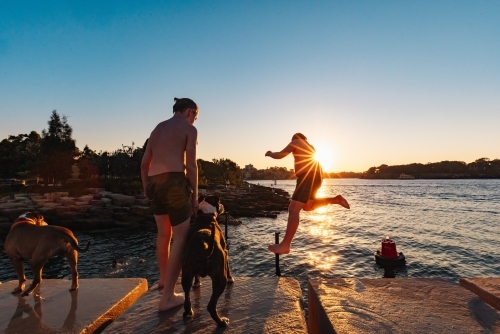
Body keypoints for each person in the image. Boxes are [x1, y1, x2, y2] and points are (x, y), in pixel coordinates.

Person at [141, 97, 199, 311]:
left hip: (154, 182)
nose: (194, 122)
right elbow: (191, 167)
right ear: (190, 112)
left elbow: (143, 164)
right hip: (174, 182)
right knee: (181, 238)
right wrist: (194, 197)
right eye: (195, 117)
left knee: (164, 234)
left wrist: (147, 187)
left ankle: (164, 279)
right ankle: (167, 298)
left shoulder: (157, 128)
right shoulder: (188, 129)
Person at [265, 132, 350, 254]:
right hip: (317, 177)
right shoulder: (310, 147)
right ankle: (335, 200)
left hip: (307, 177)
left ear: (295, 138)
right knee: (307, 206)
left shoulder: (296, 141)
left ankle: (285, 245)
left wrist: (270, 154)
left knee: (293, 209)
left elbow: (280, 155)